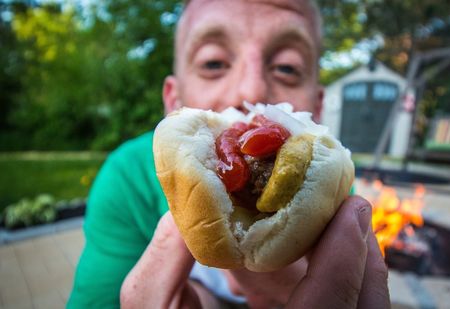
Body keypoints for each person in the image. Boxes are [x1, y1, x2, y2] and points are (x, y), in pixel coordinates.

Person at [68, 0, 390, 308]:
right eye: (214, 63)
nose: (250, 91)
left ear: (317, 107)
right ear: (173, 99)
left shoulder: (330, 187)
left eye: (287, 68)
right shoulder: (127, 177)